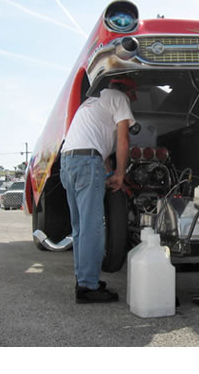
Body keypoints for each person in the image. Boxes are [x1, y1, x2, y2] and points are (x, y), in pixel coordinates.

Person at [60, 77, 137, 304]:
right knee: (93, 227)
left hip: (67, 162)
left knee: (80, 227)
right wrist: (121, 175)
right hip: (86, 163)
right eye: (134, 94)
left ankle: (83, 278)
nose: (134, 99)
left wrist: (109, 174)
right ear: (127, 90)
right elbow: (123, 140)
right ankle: (88, 287)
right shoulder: (119, 98)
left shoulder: (90, 103)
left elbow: (96, 148)